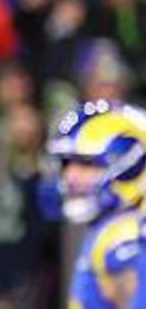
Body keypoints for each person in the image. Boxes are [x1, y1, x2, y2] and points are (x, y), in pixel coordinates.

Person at [40, 100, 144, 309]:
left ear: (130, 164)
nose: (70, 176)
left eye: (85, 164)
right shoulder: (113, 226)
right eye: (67, 164)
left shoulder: (124, 237)